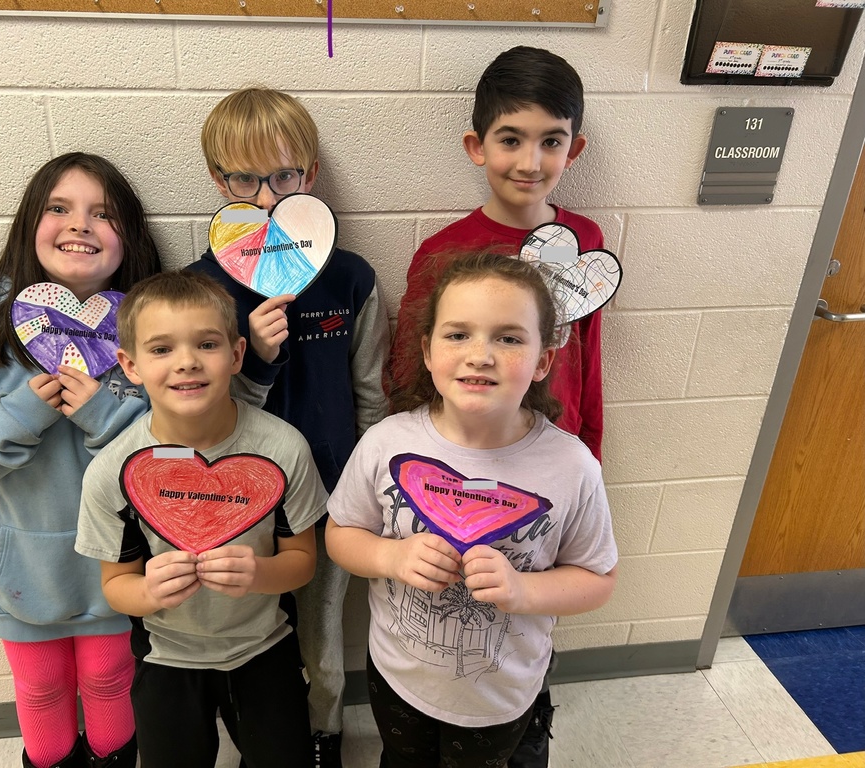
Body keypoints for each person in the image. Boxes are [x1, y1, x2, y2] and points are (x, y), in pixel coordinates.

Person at [387, 47, 603, 766]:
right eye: (511, 138)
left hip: (547, 471)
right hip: (455, 471)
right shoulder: (444, 252)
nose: (531, 160)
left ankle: (523, 717)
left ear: (576, 148)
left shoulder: (587, 246)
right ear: (478, 146)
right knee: (449, 603)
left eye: (552, 140)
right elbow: (408, 371)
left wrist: (589, 450)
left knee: (523, 613)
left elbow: (586, 361)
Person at [0, 153, 162, 768]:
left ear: (129, 238)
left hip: (117, 571)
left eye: (103, 214)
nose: (80, 225)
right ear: (31, 222)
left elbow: (177, 454)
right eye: (59, 208)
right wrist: (19, 413)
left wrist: (106, 414)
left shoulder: (151, 324)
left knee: (110, 680)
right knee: (43, 688)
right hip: (18, 575)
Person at [327, 252, 618, 768]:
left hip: (501, 698)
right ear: (429, 351)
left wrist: (524, 589)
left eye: (508, 338)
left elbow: (596, 579)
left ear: (542, 361)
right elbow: (342, 534)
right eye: (458, 335)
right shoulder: (384, 443)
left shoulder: (572, 466)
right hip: (398, 678)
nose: (479, 355)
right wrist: (391, 559)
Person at [186, 86, 390, 768]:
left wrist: (368, 493)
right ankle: (266, 741)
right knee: (247, 634)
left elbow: (371, 399)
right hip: (236, 500)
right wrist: (255, 356)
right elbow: (189, 411)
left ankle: (324, 737)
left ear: (310, 175)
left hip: (329, 498)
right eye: (245, 179)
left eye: (283, 176)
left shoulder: (352, 280)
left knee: (322, 642)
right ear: (219, 180)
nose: (268, 197)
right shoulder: (201, 288)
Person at [74, 269, 327, 768]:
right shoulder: (114, 471)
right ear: (130, 364)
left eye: (206, 344)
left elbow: (302, 561)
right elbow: (115, 585)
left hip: (265, 647)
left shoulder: (283, 448)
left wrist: (259, 573)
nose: (187, 362)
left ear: (236, 355)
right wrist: (147, 591)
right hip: (166, 656)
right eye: (162, 349)